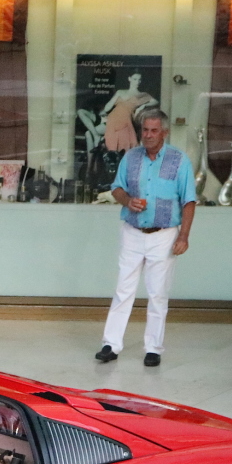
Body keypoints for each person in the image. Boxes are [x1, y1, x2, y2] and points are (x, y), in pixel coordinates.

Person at [95, 110, 196, 368]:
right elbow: (116, 188)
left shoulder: (179, 160)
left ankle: (153, 348)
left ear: (164, 132)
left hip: (164, 235)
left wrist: (183, 235)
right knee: (123, 289)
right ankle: (111, 344)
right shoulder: (131, 157)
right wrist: (128, 200)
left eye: (153, 130)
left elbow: (189, 201)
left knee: (158, 293)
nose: (148, 135)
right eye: (145, 131)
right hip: (132, 231)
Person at [100, 73, 157, 153]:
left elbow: (155, 102)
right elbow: (107, 108)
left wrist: (143, 106)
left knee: (124, 143)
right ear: (129, 79)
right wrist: (117, 95)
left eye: (139, 79)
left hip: (126, 120)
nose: (137, 82)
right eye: (135, 79)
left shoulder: (142, 95)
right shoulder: (120, 92)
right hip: (113, 118)